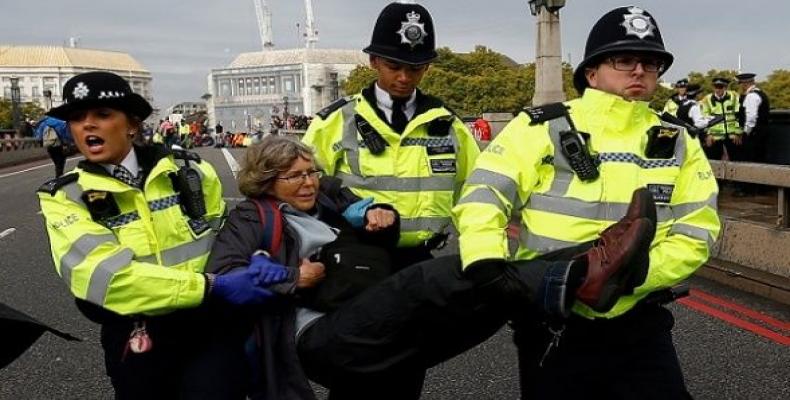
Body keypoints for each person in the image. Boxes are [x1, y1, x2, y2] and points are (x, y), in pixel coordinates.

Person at [207, 135, 657, 400]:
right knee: (437, 277)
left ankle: (593, 261)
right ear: (267, 182)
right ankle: (585, 273)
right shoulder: (253, 216)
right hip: (321, 338)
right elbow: (226, 279)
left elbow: (367, 212)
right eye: (295, 176)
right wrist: (290, 277)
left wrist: (379, 213)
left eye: (311, 172)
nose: (309, 182)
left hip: (364, 317)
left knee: (491, 299)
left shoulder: (325, 198)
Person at [453, 6, 721, 399]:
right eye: (624, 59)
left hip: (638, 316)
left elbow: (698, 228)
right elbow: (483, 193)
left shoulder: (678, 139)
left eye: (650, 63)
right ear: (591, 72)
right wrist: (485, 262)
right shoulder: (540, 127)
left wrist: (630, 276)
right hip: (553, 319)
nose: (639, 71)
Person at [37, 71, 288, 400]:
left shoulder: (192, 171)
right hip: (136, 333)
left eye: (102, 114)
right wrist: (212, 286)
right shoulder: (65, 197)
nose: (87, 125)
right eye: (76, 117)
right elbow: (106, 277)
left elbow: (229, 231)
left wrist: (255, 254)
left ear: (133, 124)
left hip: (210, 326)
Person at [302, 2, 480, 270]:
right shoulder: (335, 121)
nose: (404, 77)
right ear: (374, 61)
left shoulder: (449, 124)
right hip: (356, 258)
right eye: (394, 66)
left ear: (428, 67)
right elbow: (302, 188)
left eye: (415, 68)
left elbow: (475, 193)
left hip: (424, 261)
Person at [701, 77, 742, 160]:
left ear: (725, 87)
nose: (718, 89)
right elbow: (704, 119)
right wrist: (708, 134)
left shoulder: (734, 97)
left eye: (720, 87)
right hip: (715, 137)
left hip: (732, 135)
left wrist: (738, 133)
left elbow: (739, 116)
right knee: (714, 161)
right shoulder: (707, 100)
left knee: (737, 160)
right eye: (716, 87)